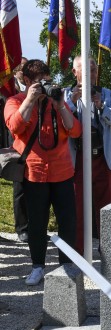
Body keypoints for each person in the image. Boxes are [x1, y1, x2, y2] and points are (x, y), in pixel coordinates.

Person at [5, 59, 81, 285]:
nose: (45, 86)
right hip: (34, 173)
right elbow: (15, 127)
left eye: (47, 81)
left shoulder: (55, 101)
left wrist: (59, 105)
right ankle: (37, 266)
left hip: (62, 172)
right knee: (37, 223)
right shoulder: (15, 101)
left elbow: (75, 131)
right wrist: (30, 99)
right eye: (40, 83)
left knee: (68, 221)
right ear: (27, 81)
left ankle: (66, 267)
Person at [65, 56, 111, 254]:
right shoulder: (67, 94)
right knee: (77, 207)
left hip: (102, 158)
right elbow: (62, 124)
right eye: (85, 69)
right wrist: (72, 104)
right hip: (78, 159)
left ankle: (107, 252)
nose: (91, 74)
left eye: (94, 69)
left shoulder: (106, 93)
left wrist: (102, 107)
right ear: (75, 72)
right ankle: (80, 252)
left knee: (105, 207)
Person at [9, 57, 29, 243]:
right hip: (15, 146)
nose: (24, 71)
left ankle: (33, 227)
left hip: (33, 146)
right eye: (22, 68)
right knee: (20, 188)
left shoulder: (33, 88)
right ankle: (22, 228)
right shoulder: (9, 90)